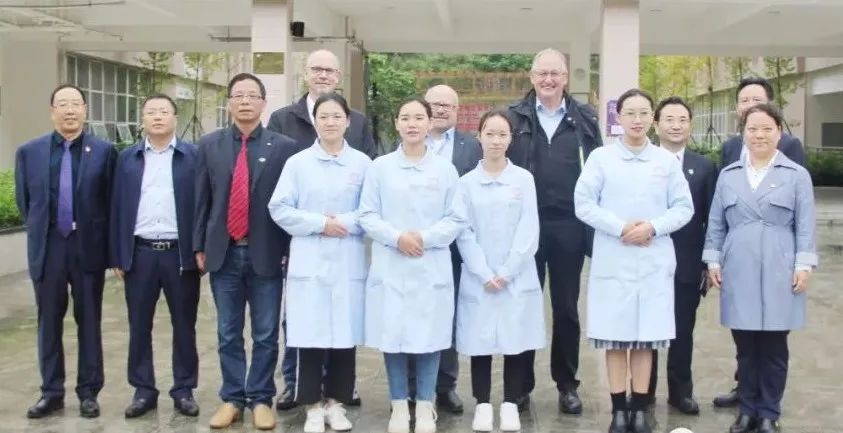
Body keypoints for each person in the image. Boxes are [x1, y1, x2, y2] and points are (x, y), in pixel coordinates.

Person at [574, 89, 693, 433]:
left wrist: (652, 227)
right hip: (614, 258)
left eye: (643, 113)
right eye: (630, 113)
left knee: (644, 340)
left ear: (652, 118)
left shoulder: (665, 162)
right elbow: (583, 203)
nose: (637, 120)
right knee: (614, 339)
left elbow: (683, 208)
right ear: (619, 117)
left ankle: (639, 409)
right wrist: (621, 227)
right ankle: (618, 410)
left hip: (653, 260)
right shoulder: (601, 159)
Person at [269, 49, 375, 411]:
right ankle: (303, 394)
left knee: (345, 327)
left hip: (346, 254)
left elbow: (372, 207)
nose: (330, 122)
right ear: (314, 121)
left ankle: (340, 396)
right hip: (308, 253)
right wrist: (320, 224)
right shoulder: (294, 151)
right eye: (324, 117)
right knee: (305, 327)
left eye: (337, 117)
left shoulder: (362, 160)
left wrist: (341, 223)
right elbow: (278, 205)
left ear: (348, 121)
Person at [194, 73, 300, 430]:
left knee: (266, 333)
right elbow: (201, 200)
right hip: (223, 253)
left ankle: (261, 398)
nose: (244, 101)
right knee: (228, 332)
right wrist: (198, 245)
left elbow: (289, 204)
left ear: (263, 103)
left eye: (252, 95)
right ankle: (232, 398)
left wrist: (288, 248)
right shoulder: (209, 144)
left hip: (266, 252)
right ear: (229, 102)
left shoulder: (284, 147)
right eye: (238, 95)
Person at [704, 103, 816, 433]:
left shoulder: (795, 175)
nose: (759, 135)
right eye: (752, 129)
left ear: (779, 132)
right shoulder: (729, 175)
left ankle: (769, 412)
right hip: (739, 264)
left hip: (781, 264)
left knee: (774, 346)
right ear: (743, 133)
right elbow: (716, 222)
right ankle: (747, 410)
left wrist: (803, 265)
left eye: (767, 128)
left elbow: (806, 225)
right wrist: (713, 260)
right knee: (746, 346)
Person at [359, 97, 464, 433]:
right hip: (392, 263)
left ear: (429, 123)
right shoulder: (380, 167)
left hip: (430, 264)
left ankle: (426, 405)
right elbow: (367, 215)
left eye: (419, 117)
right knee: (393, 335)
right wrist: (397, 237)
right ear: (397, 124)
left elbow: (456, 218)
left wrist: (423, 237)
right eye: (405, 117)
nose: (412, 124)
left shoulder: (445, 170)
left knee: (430, 336)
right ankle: (399, 405)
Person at [507, 48, 602, 413]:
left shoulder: (585, 118)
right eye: (542, 73)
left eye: (555, 74)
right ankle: (519, 386)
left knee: (566, 309)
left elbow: (598, 170)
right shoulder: (514, 117)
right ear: (532, 77)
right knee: (523, 305)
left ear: (565, 78)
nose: (548, 80)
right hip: (524, 226)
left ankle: (567, 384)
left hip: (569, 225)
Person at [16, 84, 116, 419]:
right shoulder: (29, 152)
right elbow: (26, 203)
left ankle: (89, 392)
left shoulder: (104, 152)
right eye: (63, 104)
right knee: (48, 322)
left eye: (76, 104)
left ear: (85, 110)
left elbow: (111, 203)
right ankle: (51, 392)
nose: (69, 110)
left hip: (87, 246)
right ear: (52, 112)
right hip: (49, 247)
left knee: (89, 321)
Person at [451, 109, 544, 432]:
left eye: (502, 134)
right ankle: (482, 403)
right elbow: (463, 231)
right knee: (481, 341)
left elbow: (529, 229)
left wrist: (507, 271)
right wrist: (483, 271)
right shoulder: (465, 183)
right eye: (489, 134)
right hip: (479, 276)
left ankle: (510, 404)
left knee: (515, 339)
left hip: (516, 275)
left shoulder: (523, 180)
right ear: (479, 137)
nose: (495, 140)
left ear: (511, 139)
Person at [109, 93, 201, 418]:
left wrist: (200, 248)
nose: (158, 117)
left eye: (164, 111)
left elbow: (203, 205)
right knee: (139, 325)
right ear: (143, 119)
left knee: (184, 325)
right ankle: (143, 390)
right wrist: (118, 254)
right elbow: (116, 206)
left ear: (175, 118)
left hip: (180, 254)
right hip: (141, 253)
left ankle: (184, 389)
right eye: (151, 112)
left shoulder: (193, 156)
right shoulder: (127, 158)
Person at [406, 84, 482, 414]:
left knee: (447, 316)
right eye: (434, 104)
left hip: (454, 248)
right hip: (411, 246)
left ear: (457, 111)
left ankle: (445, 385)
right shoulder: (406, 143)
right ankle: (410, 386)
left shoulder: (472, 147)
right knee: (411, 313)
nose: (440, 110)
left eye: (447, 106)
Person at [646, 97, 717, 415]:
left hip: (687, 262)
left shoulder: (704, 167)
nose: (676, 126)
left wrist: (708, 262)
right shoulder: (643, 162)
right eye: (669, 119)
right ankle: (643, 391)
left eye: (683, 120)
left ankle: (680, 392)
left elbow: (712, 218)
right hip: (647, 259)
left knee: (682, 330)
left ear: (690, 125)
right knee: (647, 331)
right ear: (656, 124)